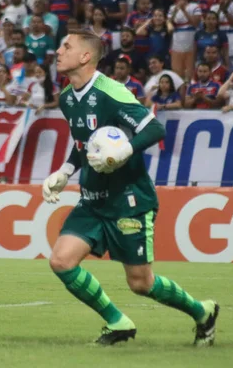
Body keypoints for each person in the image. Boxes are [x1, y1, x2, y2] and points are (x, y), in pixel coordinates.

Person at [43, 28, 219, 346]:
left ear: (85, 56)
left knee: (141, 283)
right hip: (93, 198)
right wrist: (66, 171)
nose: (58, 51)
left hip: (129, 199)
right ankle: (118, 322)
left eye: (66, 46)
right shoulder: (68, 98)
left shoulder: (112, 92)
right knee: (61, 261)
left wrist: (124, 150)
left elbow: (154, 129)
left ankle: (203, 312)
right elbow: (84, 141)